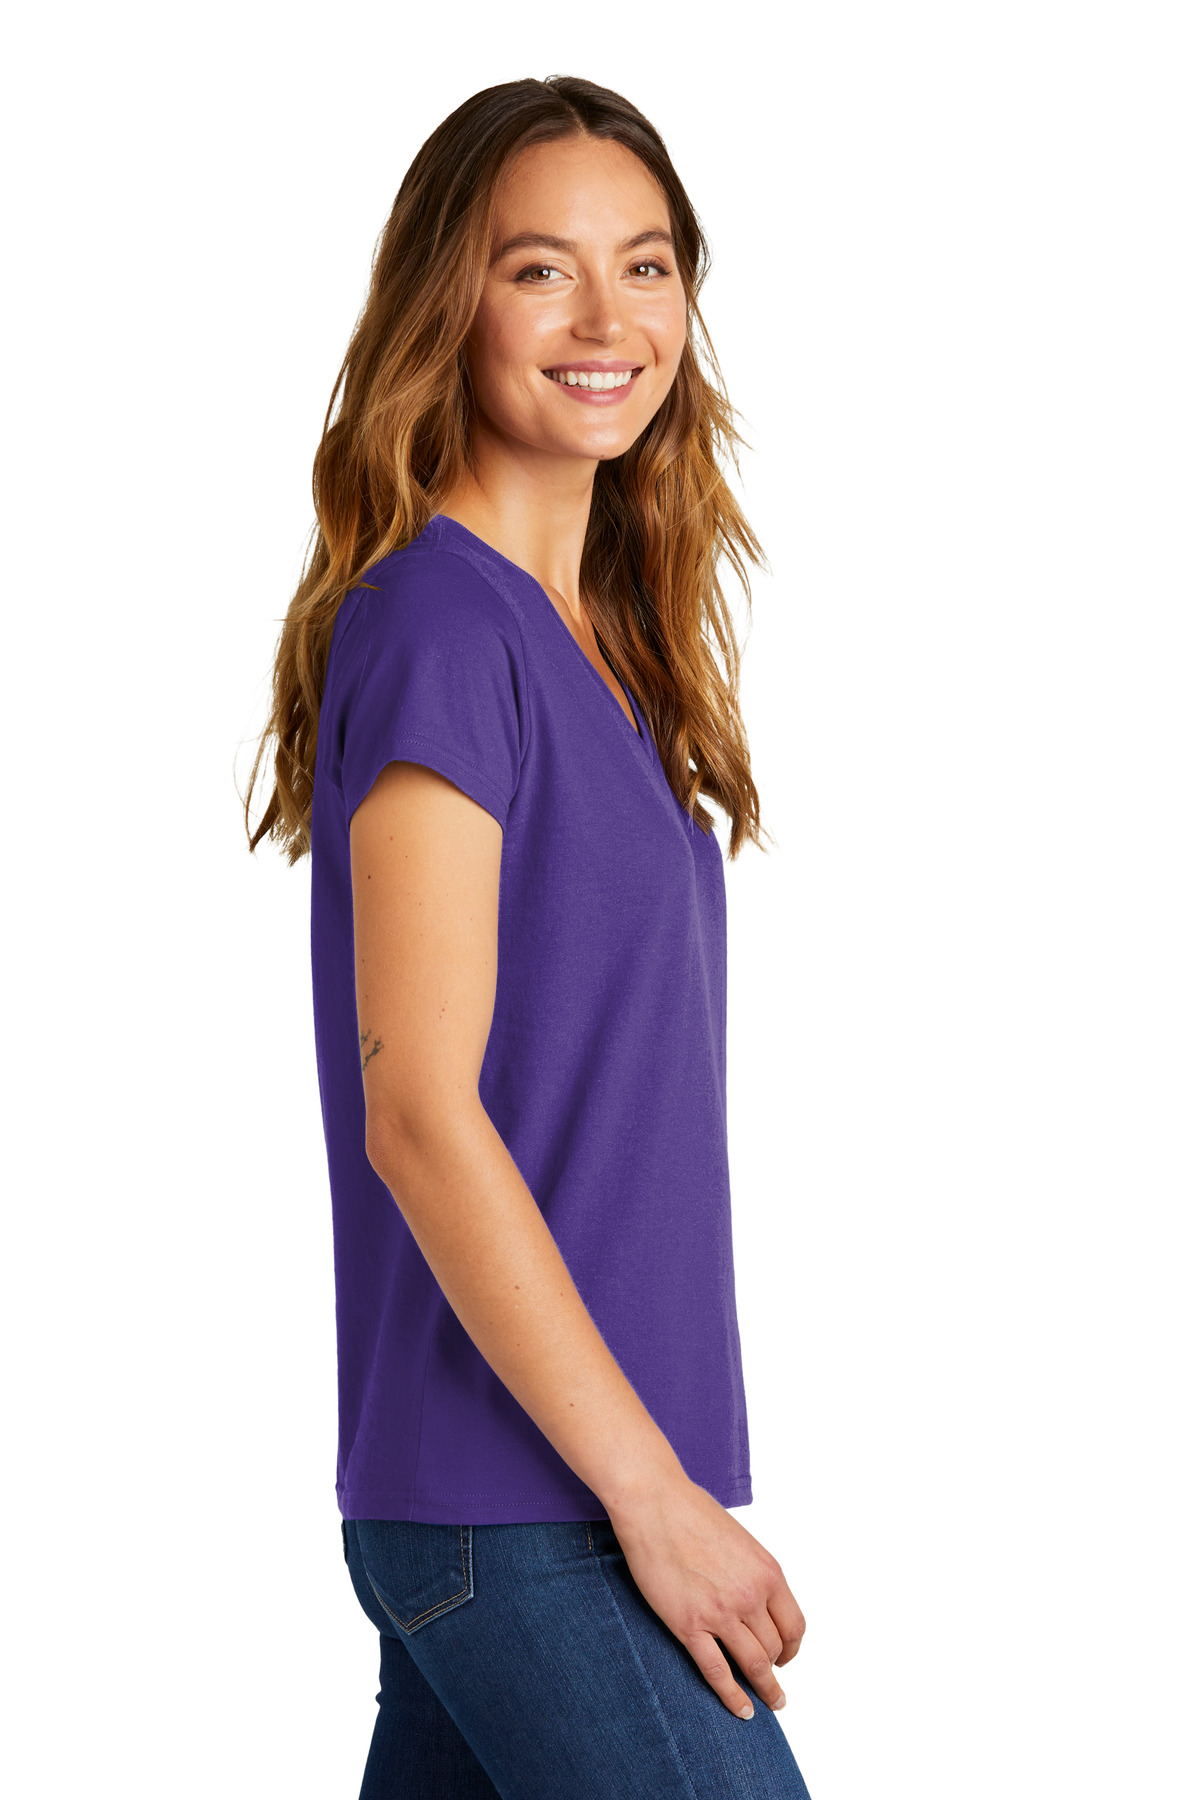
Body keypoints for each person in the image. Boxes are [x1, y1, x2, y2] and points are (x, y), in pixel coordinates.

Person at [245, 74, 813, 1800]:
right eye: (539, 269)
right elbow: (419, 1112)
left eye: (646, 267)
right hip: (537, 1506)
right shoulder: (442, 625)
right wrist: (652, 1497)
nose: (605, 320)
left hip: (540, 1490)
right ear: (452, 300)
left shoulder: (599, 650)